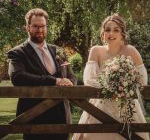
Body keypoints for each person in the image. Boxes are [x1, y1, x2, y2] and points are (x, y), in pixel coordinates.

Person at [72, 14, 149, 140]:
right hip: (100, 107)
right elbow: (89, 80)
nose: (111, 34)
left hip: (126, 108)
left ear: (122, 33)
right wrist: (111, 85)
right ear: (103, 33)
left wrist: (124, 84)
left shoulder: (131, 51)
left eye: (116, 30)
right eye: (107, 30)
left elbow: (142, 80)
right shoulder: (96, 51)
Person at [7, 8, 77, 140]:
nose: (40, 30)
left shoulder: (59, 51)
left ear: (47, 27)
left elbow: (71, 75)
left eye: (43, 26)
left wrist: (70, 82)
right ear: (27, 27)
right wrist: (54, 81)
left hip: (62, 116)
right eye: (35, 26)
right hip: (34, 117)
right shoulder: (17, 53)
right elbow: (17, 77)